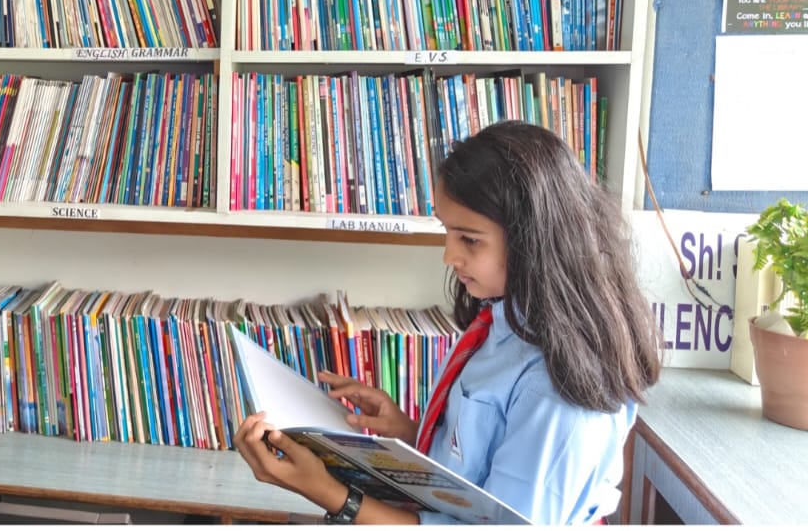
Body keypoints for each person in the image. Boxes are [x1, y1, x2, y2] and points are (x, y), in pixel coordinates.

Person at [234, 120, 661, 525]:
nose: (448, 257)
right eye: (447, 232)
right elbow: (483, 477)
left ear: (534, 238)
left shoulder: (556, 385)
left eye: (469, 240)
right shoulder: (504, 319)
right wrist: (409, 434)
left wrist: (334, 497)